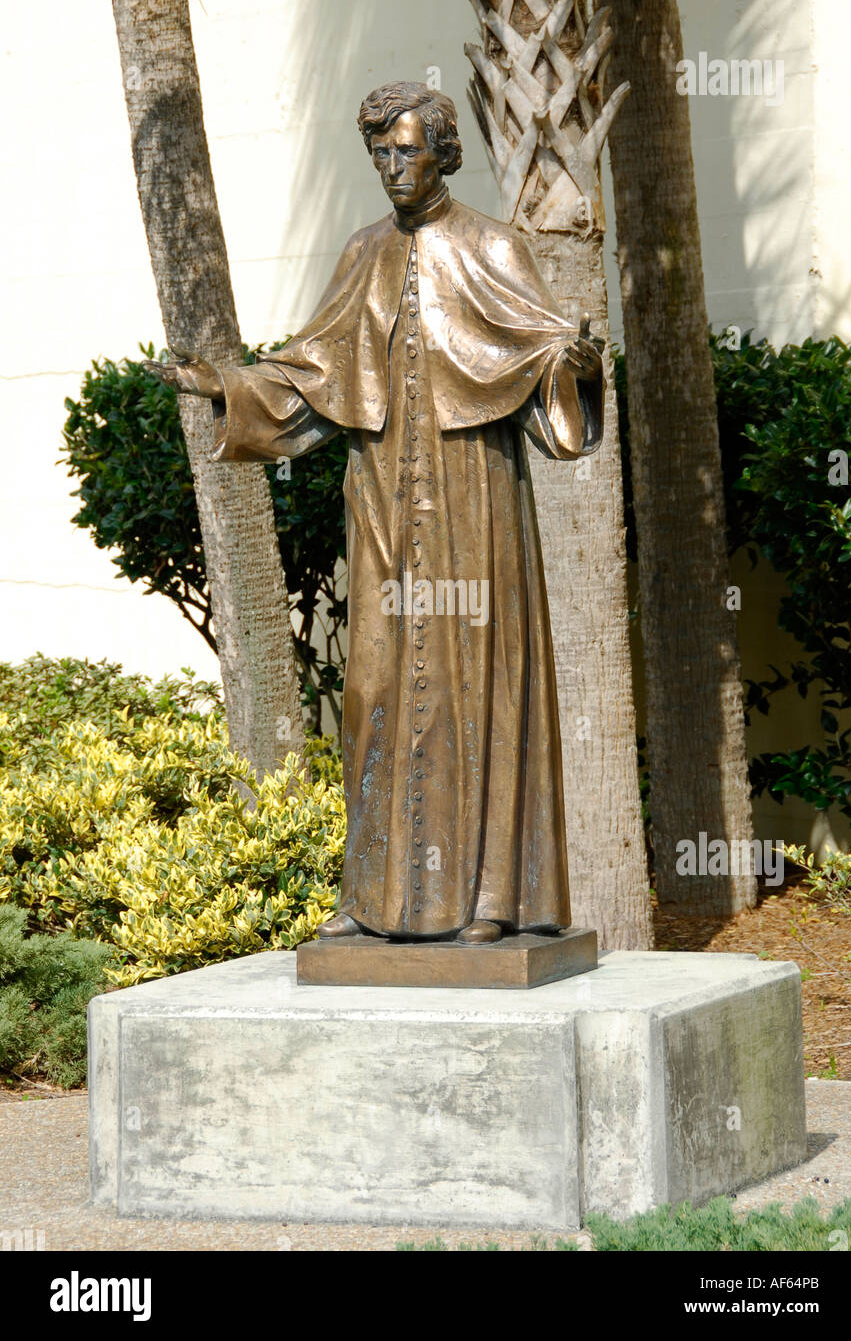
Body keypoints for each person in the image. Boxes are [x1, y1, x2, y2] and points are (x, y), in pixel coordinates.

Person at [146, 81, 603, 946]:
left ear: (443, 153)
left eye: (407, 151)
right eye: (380, 154)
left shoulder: (493, 249)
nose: (393, 167)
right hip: (384, 496)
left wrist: (573, 367)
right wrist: (222, 382)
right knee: (377, 688)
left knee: (476, 682)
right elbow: (313, 377)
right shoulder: (364, 253)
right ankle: (374, 898)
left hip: (473, 500)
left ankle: (490, 902)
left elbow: (547, 366)